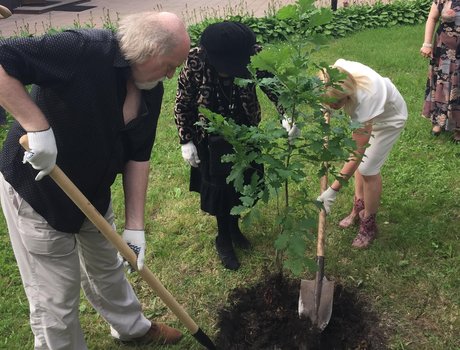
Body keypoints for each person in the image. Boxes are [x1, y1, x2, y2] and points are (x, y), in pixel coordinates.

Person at [0, 11, 190, 349]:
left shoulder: (150, 88)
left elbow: (138, 156)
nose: (172, 75)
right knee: (55, 296)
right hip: (38, 191)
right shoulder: (82, 49)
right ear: (147, 53)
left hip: (92, 189)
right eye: (169, 65)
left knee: (107, 265)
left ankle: (131, 328)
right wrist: (36, 126)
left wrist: (135, 227)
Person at [174, 21, 288, 270]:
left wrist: (286, 114)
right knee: (220, 189)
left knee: (244, 182)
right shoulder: (196, 60)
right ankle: (223, 238)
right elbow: (184, 100)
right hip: (210, 134)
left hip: (245, 130)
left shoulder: (254, 54)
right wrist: (186, 139)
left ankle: (234, 227)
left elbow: (274, 87)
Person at [317, 59, 407, 248]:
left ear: (347, 94)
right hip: (367, 114)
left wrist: (332, 190)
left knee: (367, 169)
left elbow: (357, 153)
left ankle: (369, 224)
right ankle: (359, 207)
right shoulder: (335, 74)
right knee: (360, 164)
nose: (333, 107)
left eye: (336, 103)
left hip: (389, 118)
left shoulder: (366, 99)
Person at [420, 0, 460, 142]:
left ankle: (458, 127)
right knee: (441, 83)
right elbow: (432, 18)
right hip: (443, 50)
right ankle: (438, 120)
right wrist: (427, 43)